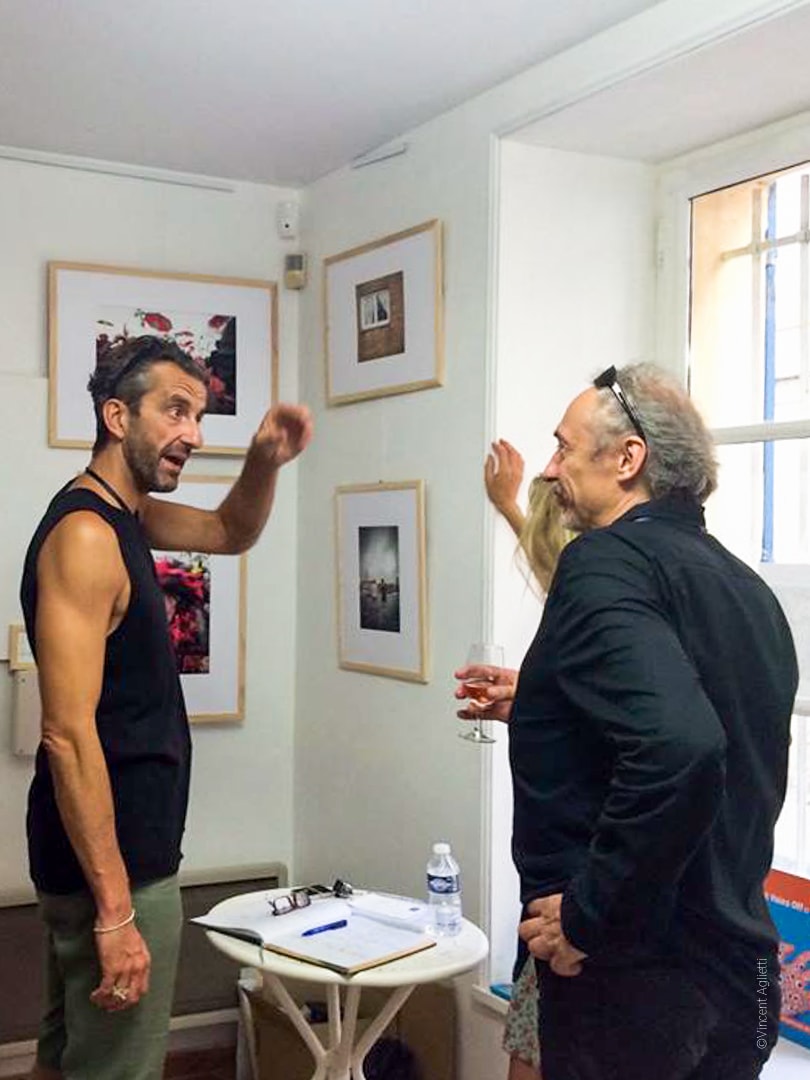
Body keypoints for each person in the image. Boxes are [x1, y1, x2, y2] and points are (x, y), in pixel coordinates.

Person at [21, 335, 312, 1080]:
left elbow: (229, 531)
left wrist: (264, 460)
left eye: (200, 415)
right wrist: (116, 909)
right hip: (111, 863)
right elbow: (66, 733)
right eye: (175, 411)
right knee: (118, 1067)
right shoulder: (87, 535)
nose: (194, 433)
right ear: (117, 417)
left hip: (112, 851)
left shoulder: (128, 515)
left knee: (68, 1053)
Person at [495, 363, 796, 1079]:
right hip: (744, 982)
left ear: (628, 459)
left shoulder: (602, 562)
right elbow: (688, 729)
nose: (549, 469)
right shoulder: (748, 590)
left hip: (633, 987)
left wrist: (587, 915)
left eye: (564, 447)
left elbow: (681, 747)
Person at [480, 439, 574, 1080]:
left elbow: (558, 570)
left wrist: (510, 506)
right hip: (552, 891)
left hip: (568, 902)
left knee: (534, 1057)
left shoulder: (604, 603)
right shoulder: (584, 607)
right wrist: (531, 702)